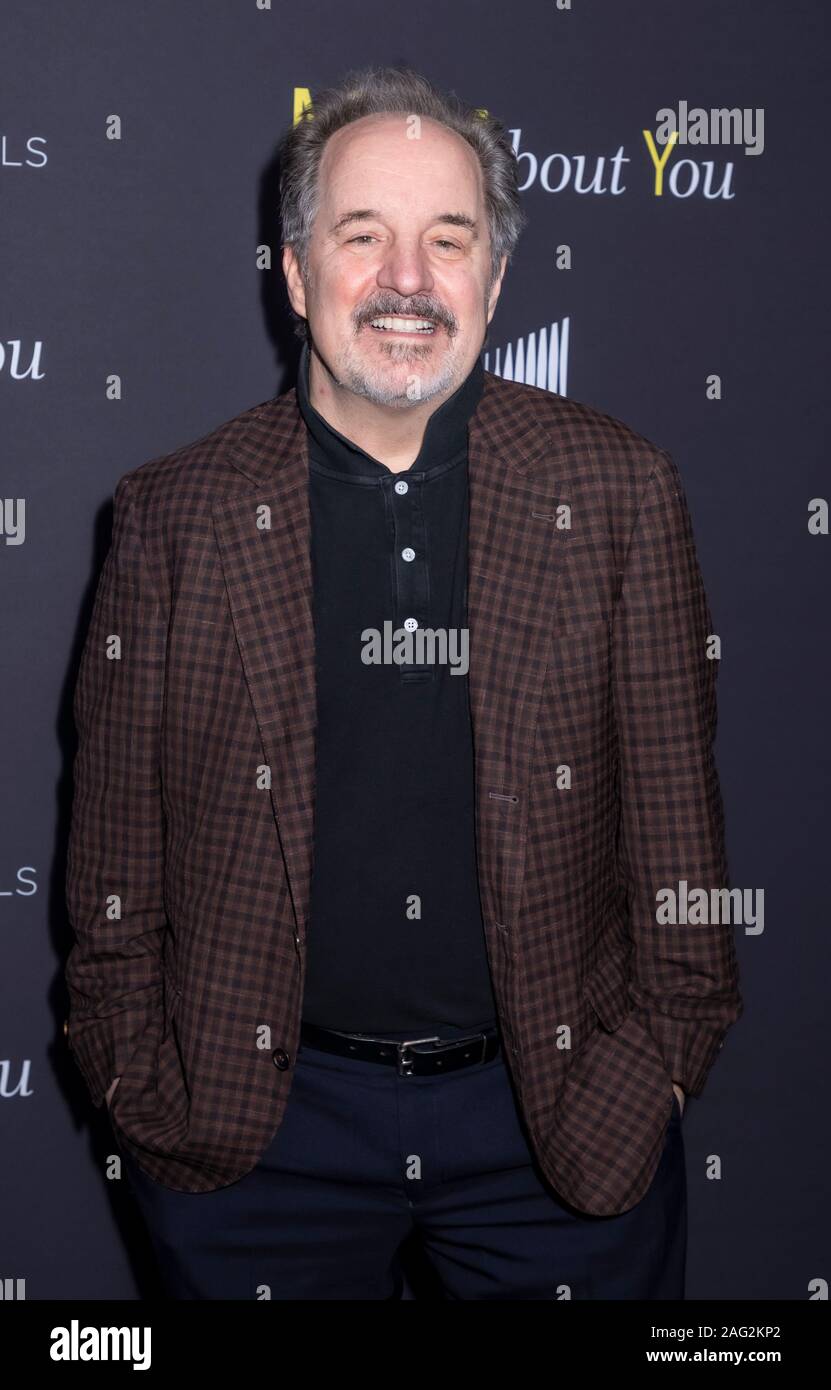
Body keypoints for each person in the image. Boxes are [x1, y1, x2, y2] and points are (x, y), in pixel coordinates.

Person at [64, 64, 743, 1300]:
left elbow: (684, 861)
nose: (408, 283)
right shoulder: (175, 516)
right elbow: (113, 862)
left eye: (449, 239)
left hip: (558, 1135)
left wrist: (652, 1068)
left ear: (497, 277)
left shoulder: (620, 493)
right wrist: (142, 1088)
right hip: (256, 1144)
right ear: (293, 270)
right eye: (362, 236)